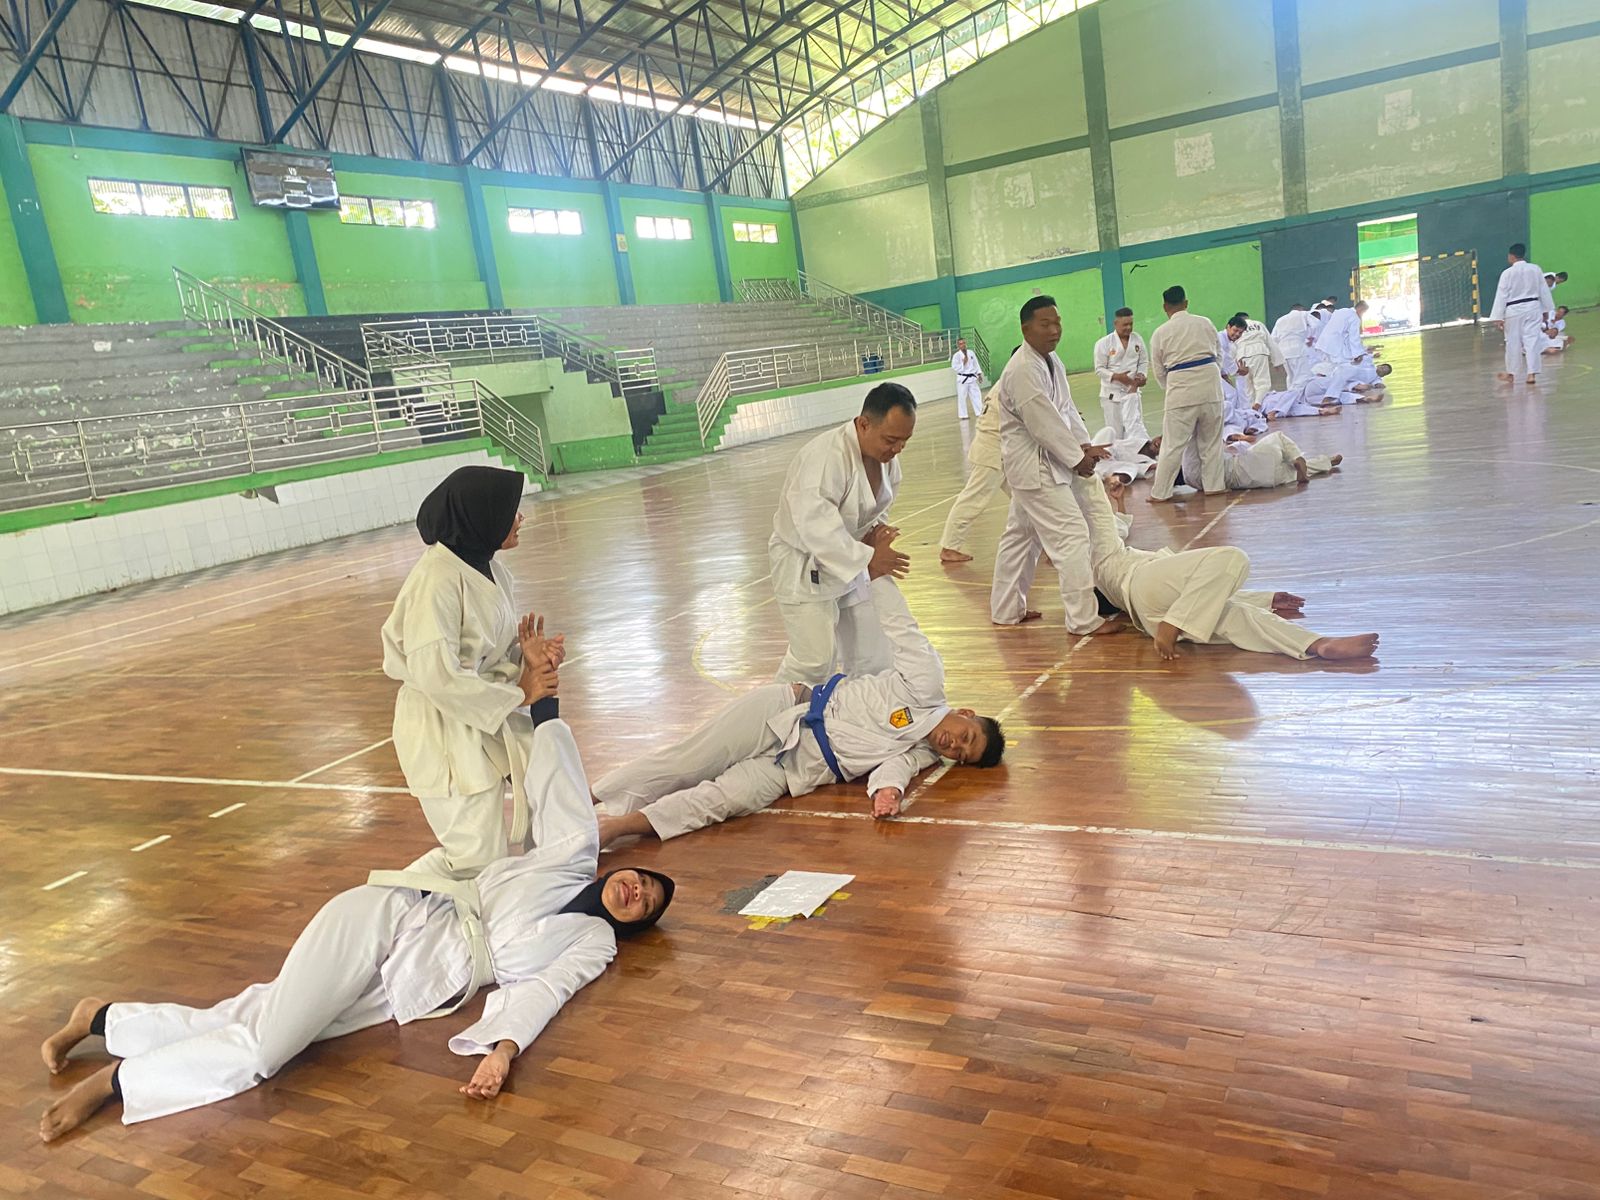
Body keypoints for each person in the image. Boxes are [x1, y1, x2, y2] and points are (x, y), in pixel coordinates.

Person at [37, 710, 676, 1141]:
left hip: (411, 985)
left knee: (265, 1016)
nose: (636, 890)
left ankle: (106, 1020)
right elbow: (566, 797)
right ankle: (116, 1082)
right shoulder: (569, 862)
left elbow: (546, 992)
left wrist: (504, 1052)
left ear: (634, 925)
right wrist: (544, 705)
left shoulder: (590, 944)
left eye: (645, 903)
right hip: (392, 918)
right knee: (266, 1050)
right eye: (642, 880)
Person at [593, 578, 1004, 836]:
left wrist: (887, 793)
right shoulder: (926, 683)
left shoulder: (923, 753)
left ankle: (615, 828)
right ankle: (589, 798)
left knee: (721, 803)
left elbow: (895, 769)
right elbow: (902, 628)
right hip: (784, 711)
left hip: (796, 769)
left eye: (960, 756)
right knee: (688, 763)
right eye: (965, 736)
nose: (953, 745)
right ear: (965, 712)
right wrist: (876, 572)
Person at [381, 466, 565, 879]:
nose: (521, 518)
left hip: (480, 716)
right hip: (442, 729)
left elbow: (485, 655)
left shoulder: (489, 568)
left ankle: (543, 889)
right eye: (510, 512)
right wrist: (521, 692)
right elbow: (437, 676)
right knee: (476, 860)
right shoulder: (436, 581)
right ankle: (395, 902)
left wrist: (528, 657)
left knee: (545, 792)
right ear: (481, 517)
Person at [1089, 476, 1378, 662]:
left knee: (1237, 616)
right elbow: (1096, 513)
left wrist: (1264, 599)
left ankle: (1318, 644)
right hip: (1145, 584)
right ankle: (1173, 624)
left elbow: (1116, 528)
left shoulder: (1106, 555)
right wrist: (1089, 475)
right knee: (1231, 558)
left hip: (1149, 611)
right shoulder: (1093, 552)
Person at [988, 295, 1120, 634]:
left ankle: (1006, 610)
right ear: (1025, 328)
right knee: (1072, 536)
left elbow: (1064, 408)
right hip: (1034, 467)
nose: (1054, 330)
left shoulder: (1050, 361)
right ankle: (1082, 619)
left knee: (1020, 537)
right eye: (1045, 324)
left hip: (1038, 465)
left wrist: (1085, 443)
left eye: (1057, 322)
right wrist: (1078, 459)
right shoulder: (1021, 369)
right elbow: (1042, 422)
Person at [769, 383, 916, 685]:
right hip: (804, 564)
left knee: (873, 651)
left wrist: (875, 537)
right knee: (815, 660)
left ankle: (859, 714)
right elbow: (815, 526)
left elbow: (878, 509)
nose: (897, 449)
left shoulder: (887, 461)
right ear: (864, 424)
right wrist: (867, 559)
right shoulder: (826, 457)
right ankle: (773, 720)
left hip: (851, 561)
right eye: (891, 439)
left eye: (904, 441)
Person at [1147, 285, 1225, 503]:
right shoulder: (1205, 323)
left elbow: (1159, 370)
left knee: (1173, 446)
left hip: (1180, 391)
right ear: (1186, 303)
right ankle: (1214, 487)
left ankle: (1160, 493)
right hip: (1210, 386)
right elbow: (1219, 355)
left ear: (1165, 307)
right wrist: (1210, 375)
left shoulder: (1160, 333)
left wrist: (1173, 386)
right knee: (1211, 443)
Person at [940, 375, 1006, 564]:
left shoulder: (1007, 383)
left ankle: (1042, 540)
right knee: (973, 499)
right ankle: (949, 546)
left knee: (1028, 499)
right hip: (991, 452)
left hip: (1002, 452)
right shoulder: (1012, 384)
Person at [1182, 429, 1341, 491]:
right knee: (1277, 438)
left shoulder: (1193, 480)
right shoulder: (1192, 461)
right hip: (1244, 466)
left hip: (1256, 480)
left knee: (1289, 472)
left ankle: (1324, 462)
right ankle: (1299, 458)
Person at [1490, 243, 1555, 385]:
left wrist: (1498, 317)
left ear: (1511, 256)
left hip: (1513, 310)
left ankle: (1511, 374)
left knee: (1512, 341)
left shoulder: (1507, 273)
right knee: (1532, 340)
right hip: (1533, 307)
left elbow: (1501, 295)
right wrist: (1545, 310)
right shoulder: (1535, 269)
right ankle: (1531, 374)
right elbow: (1543, 290)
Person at [1093, 307, 1150, 442]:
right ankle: (1118, 462)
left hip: (1132, 392)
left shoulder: (1137, 339)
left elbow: (1143, 361)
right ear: (1115, 323)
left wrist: (1142, 375)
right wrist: (1117, 376)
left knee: (1135, 431)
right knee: (1116, 434)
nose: (1128, 327)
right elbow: (1099, 369)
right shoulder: (1104, 343)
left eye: (1131, 324)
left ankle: (1136, 461)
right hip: (1112, 396)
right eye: (1125, 324)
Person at [1232, 312, 1283, 403]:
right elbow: (1270, 342)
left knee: (1247, 385)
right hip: (1260, 352)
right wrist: (1277, 361)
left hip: (1242, 354)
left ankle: (1249, 409)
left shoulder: (1236, 328)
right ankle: (1259, 403)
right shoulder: (1258, 324)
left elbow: (1232, 345)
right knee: (1262, 382)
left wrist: (1234, 363)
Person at [1311, 301, 1372, 369]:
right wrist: (1358, 354)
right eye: (1364, 312)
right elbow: (1354, 338)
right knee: (1338, 367)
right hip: (1334, 345)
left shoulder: (1342, 311)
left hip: (1324, 341)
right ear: (1361, 309)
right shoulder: (1354, 317)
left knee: (1327, 365)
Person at [1272, 305, 1316, 387]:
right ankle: (1298, 397)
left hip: (1283, 352)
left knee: (1290, 377)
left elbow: (1274, 339)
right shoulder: (1303, 314)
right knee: (1302, 376)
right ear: (1301, 309)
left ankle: (1291, 396)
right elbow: (1316, 325)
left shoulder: (1280, 320)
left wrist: (1275, 358)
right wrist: (1312, 336)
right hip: (1297, 349)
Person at [950, 338, 984, 420]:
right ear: (958, 346)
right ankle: (963, 415)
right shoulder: (956, 356)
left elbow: (976, 364)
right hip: (962, 378)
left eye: (964, 343)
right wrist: (963, 363)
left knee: (976, 395)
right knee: (962, 397)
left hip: (972, 377)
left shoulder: (971, 353)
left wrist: (979, 374)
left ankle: (979, 412)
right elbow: (955, 367)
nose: (963, 345)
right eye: (961, 344)